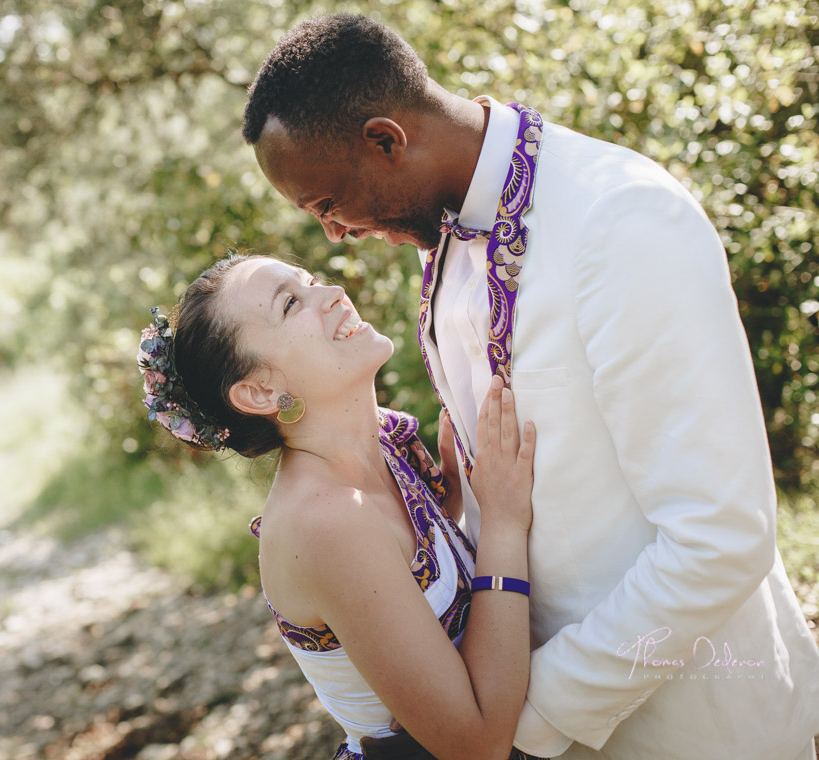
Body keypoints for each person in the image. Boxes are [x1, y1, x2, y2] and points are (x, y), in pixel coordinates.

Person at [240, 13, 819, 760]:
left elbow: (724, 538)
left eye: (327, 204)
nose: (335, 235)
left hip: (694, 724)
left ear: (386, 141)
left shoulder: (621, 220)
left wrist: (531, 717)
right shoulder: (443, 239)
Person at [138, 253, 541, 759]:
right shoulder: (324, 522)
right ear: (262, 391)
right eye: (291, 303)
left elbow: (425, 583)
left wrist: (455, 491)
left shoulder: (383, 444)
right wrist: (503, 524)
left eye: (310, 280)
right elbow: (477, 745)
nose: (331, 293)